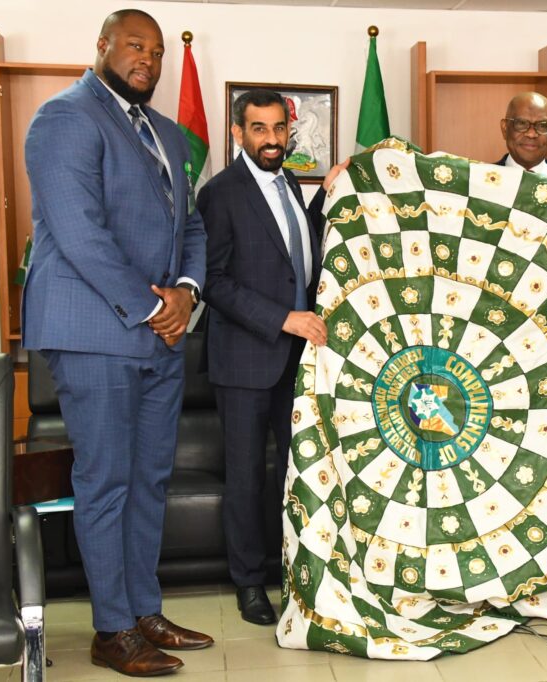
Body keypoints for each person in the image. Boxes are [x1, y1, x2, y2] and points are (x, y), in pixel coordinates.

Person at [23, 9, 212, 676]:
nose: (148, 61)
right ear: (102, 46)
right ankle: (110, 630)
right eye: (135, 46)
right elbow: (78, 232)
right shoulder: (64, 117)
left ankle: (141, 610)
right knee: (106, 482)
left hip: (159, 335)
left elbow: (191, 225)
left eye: (157, 52)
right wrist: (151, 306)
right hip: (94, 330)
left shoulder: (165, 133)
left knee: (149, 479)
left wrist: (186, 292)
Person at [198, 89, 344, 624]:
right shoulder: (221, 193)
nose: (272, 139)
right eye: (259, 129)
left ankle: (292, 572)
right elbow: (213, 281)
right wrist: (283, 318)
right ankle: (249, 583)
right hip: (244, 360)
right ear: (238, 133)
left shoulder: (286, 182)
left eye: (280, 128)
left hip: (297, 360)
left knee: (294, 473)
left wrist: (325, 196)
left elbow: (293, 252)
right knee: (247, 477)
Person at [495, 91, 547, 180]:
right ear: (505, 128)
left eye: (542, 126)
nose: (531, 134)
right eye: (522, 123)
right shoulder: (480, 183)